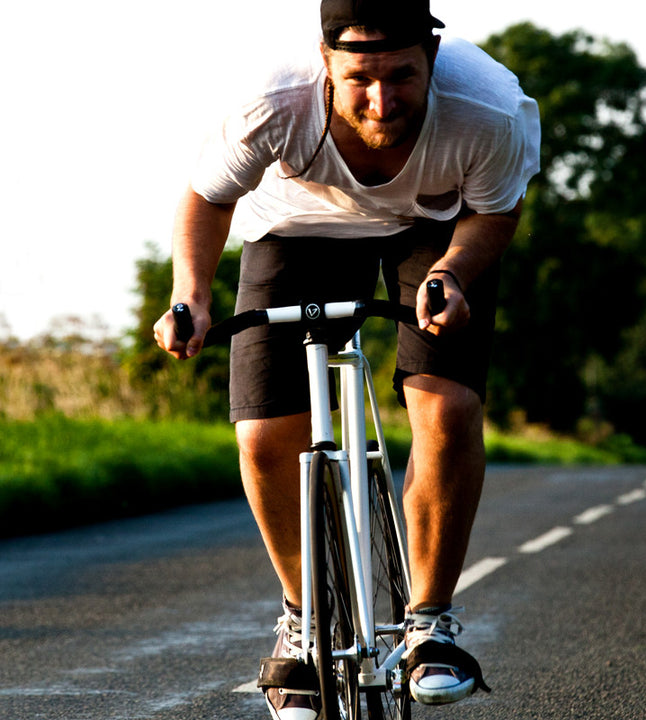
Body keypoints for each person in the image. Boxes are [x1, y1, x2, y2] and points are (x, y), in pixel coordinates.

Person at [153, 0, 540, 717]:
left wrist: (451, 275)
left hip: (436, 226)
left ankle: (430, 623)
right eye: (360, 77)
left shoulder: (490, 109)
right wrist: (193, 298)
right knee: (265, 432)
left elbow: (496, 209)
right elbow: (207, 200)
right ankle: (303, 622)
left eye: (402, 76)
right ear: (324, 61)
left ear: (433, 57)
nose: (382, 100)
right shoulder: (273, 102)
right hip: (296, 226)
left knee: (447, 406)